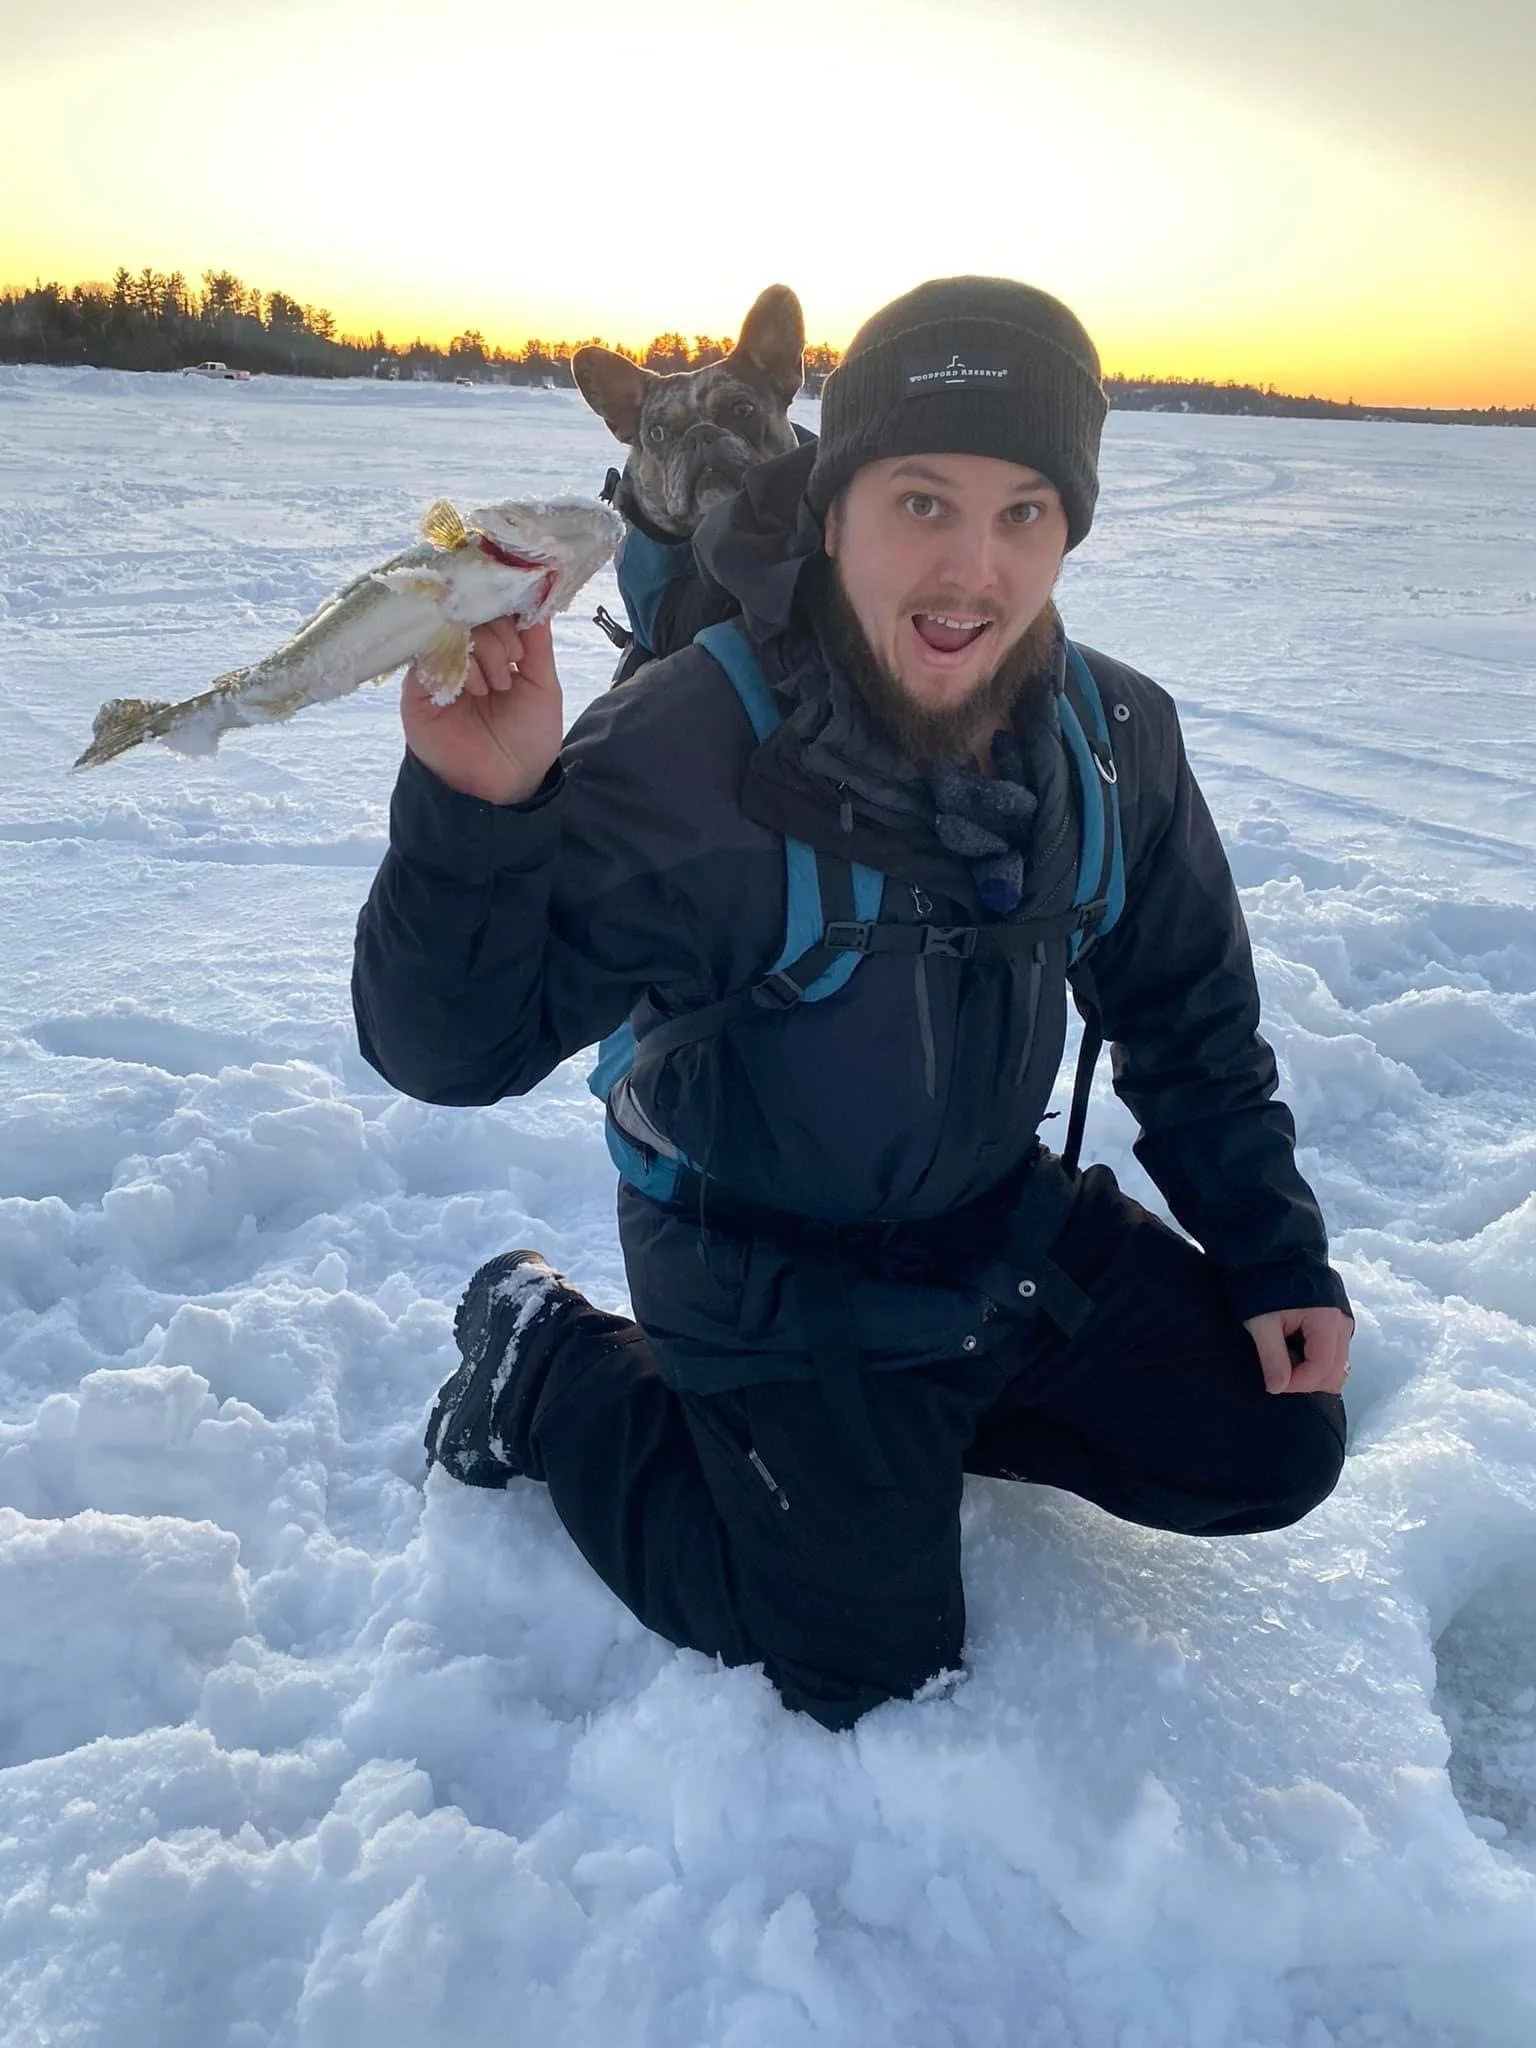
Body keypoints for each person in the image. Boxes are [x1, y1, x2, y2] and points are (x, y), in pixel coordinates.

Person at [352, 276, 1351, 1731]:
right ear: (831, 509)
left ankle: (896, 1433)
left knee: (1275, 1445)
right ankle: (547, 1364)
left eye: (1025, 512)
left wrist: (1272, 1254)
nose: (972, 570)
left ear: (1070, 530)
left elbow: (1188, 1012)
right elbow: (451, 1047)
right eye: (923, 502)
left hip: (990, 1231)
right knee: (862, 1664)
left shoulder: (1113, 736)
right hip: (768, 1268)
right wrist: (475, 807)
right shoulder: (693, 741)